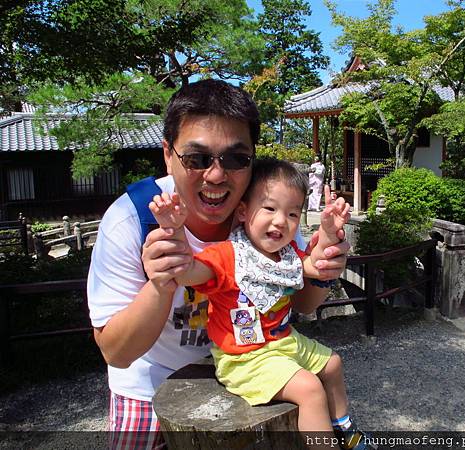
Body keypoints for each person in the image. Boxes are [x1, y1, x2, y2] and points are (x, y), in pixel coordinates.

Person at [87, 80, 350, 449]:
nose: (216, 175)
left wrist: (324, 269)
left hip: (255, 360)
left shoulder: (266, 214)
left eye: (235, 159)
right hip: (150, 382)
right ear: (168, 154)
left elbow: (303, 303)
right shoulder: (131, 220)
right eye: (196, 159)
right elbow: (117, 352)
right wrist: (162, 283)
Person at [149, 159, 370, 447]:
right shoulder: (228, 255)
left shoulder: (288, 253)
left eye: (292, 214)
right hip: (245, 358)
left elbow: (316, 266)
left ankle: (343, 428)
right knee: (310, 390)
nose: (281, 220)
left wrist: (328, 231)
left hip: (284, 342)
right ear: (243, 211)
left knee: (333, 364)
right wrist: (174, 229)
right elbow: (189, 272)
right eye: (269, 208)